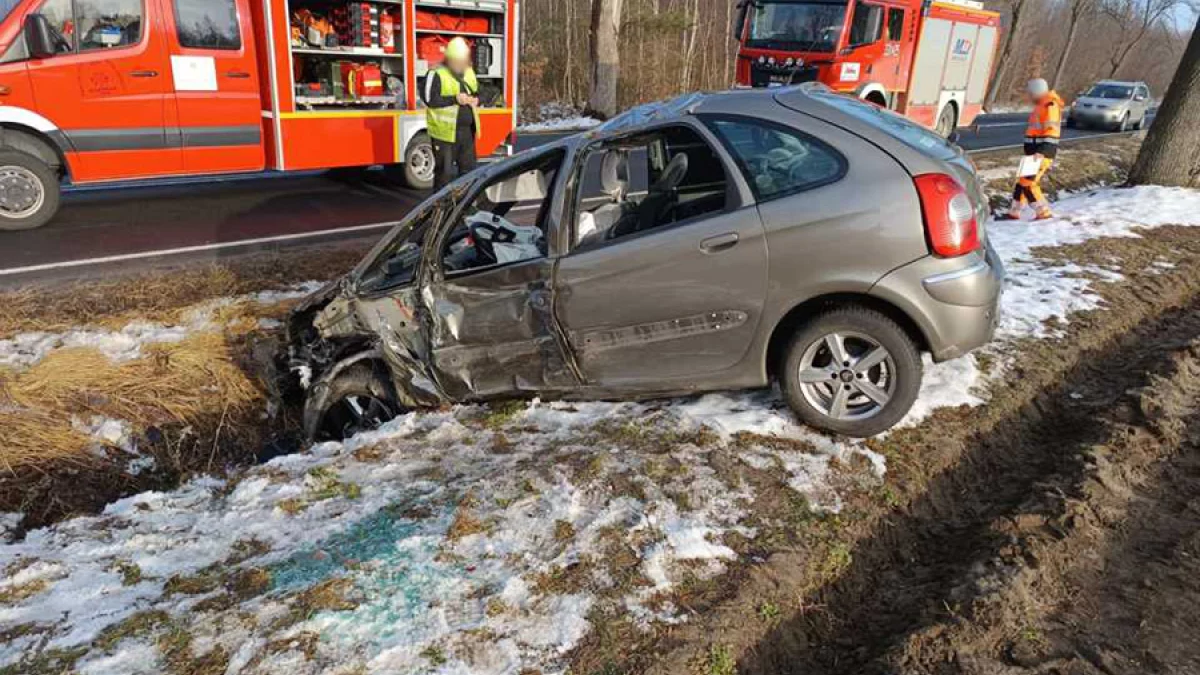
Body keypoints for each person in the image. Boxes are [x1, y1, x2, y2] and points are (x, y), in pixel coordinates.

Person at [423, 37, 481, 190]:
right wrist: (455, 99)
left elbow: (479, 91)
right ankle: (440, 209)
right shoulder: (435, 73)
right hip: (444, 134)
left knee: (468, 172)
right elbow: (430, 99)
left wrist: (477, 99)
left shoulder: (469, 72)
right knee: (444, 174)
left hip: (467, 132)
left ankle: (465, 208)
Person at [1002, 78, 1063, 221]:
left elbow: (1051, 132)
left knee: (1029, 184)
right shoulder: (1041, 105)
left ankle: (1043, 212)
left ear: (1037, 92)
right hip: (1034, 152)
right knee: (1022, 182)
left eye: (1030, 93)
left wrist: (1042, 151)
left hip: (1040, 153)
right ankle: (1014, 212)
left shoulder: (1049, 106)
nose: (1029, 97)